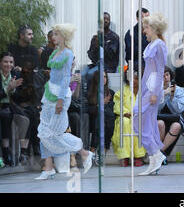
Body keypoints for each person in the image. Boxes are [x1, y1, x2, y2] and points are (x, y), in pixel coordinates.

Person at [35, 24, 94, 180]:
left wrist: (60, 99)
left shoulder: (68, 54)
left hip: (60, 95)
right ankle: (48, 167)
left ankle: (84, 153)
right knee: (43, 130)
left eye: (56, 34)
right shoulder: (56, 52)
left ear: (63, 36)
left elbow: (66, 78)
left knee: (56, 133)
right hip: (49, 93)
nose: (53, 37)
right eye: (53, 34)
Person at [135, 13, 169, 176]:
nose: (144, 31)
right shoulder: (151, 45)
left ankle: (155, 153)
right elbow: (148, 71)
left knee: (140, 120)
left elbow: (160, 70)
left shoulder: (159, 45)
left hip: (153, 89)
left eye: (146, 27)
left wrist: (155, 92)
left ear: (154, 28)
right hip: (146, 88)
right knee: (144, 121)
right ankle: (155, 154)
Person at [111, 67, 146, 167]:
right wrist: (127, 113)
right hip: (125, 116)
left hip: (140, 117)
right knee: (125, 122)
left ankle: (138, 156)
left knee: (138, 123)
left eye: (136, 78)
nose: (134, 81)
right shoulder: (121, 92)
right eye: (131, 78)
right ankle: (125, 156)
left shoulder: (144, 92)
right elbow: (117, 107)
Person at [10, 60, 41, 164]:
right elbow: (14, 96)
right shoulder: (16, 75)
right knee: (29, 114)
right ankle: (29, 148)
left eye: (30, 67)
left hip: (29, 106)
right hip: (17, 105)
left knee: (33, 112)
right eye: (26, 67)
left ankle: (31, 147)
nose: (28, 69)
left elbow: (36, 95)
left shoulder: (35, 76)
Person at [0, 52, 27, 166]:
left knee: (27, 115)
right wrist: (7, 88)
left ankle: (24, 152)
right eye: (5, 61)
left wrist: (13, 90)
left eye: (11, 62)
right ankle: (6, 154)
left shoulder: (15, 75)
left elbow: (19, 98)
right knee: (5, 116)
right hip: (2, 107)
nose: (8, 64)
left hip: (10, 107)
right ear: (0, 63)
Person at [157, 66, 184, 161]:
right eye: (162, 76)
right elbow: (156, 110)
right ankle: (160, 156)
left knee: (177, 126)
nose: (166, 78)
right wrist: (164, 94)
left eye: (167, 75)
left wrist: (172, 97)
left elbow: (179, 110)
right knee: (160, 123)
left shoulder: (179, 90)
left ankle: (159, 154)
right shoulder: (155, 90)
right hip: (159, 118)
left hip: (175, 119)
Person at [86, 70, 115, 162]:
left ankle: (96, 149)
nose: (103, 79)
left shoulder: (111, 93)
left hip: (107, 120)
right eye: (101, 77)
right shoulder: (90, 93)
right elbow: (88, 109)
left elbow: (112, 108)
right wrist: (99, 105)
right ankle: (99, 150)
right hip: (94, 119)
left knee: (107, 117)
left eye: (105, 77)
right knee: (99, 119)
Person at [125, 8, 150, 72]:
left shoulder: (152, 32)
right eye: (143, 17)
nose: (146, 20)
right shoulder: (130, 33)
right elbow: (130, 53)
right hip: (136, 67)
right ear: (137, 19)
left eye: (148, 17)